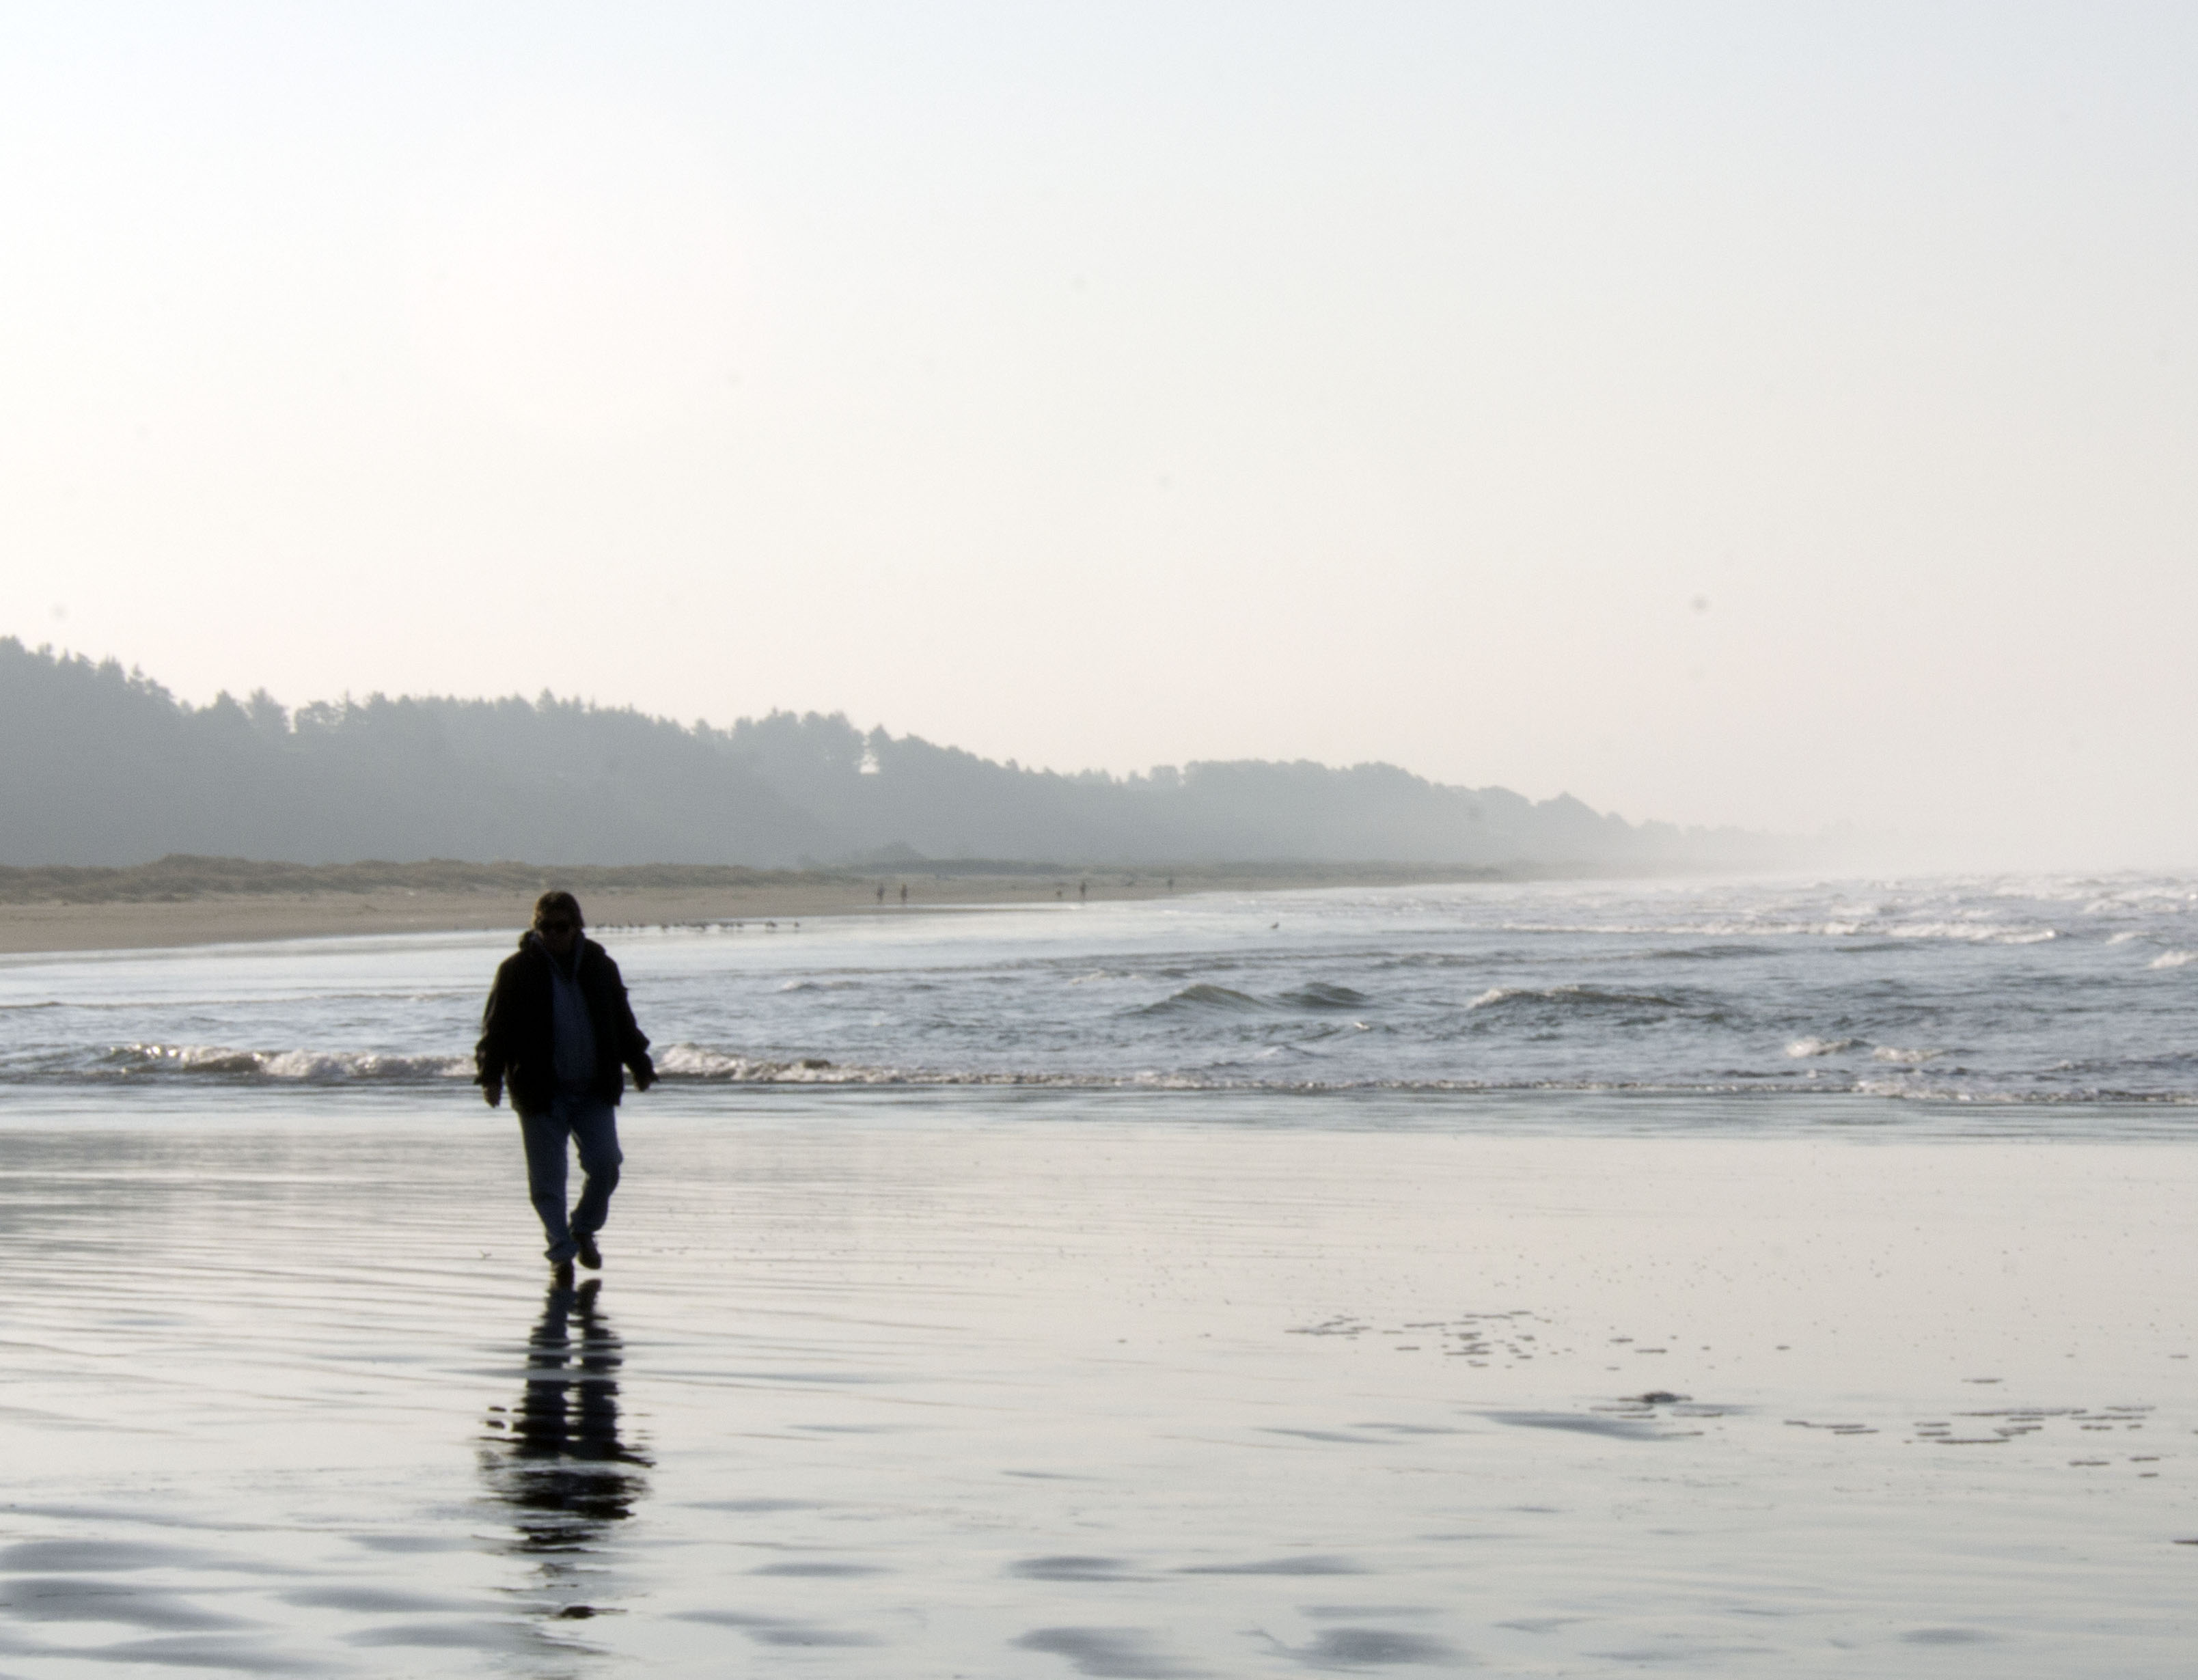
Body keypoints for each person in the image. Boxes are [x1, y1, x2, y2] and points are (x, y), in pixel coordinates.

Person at [476, 891, 656, 1286]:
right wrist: (490, 1075)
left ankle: (583, 1229)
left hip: (593, 1089)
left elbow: (621, 1019)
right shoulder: (516, 970)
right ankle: (561, 1253)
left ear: (577, 927)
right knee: (547, 1181)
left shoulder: (599, 965)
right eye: (546, 927)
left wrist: (639, 1062)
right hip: (540, 1091)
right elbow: (497, 1028)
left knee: (606, 1165)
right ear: (535, 929)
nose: (554, 934)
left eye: (562, 927)